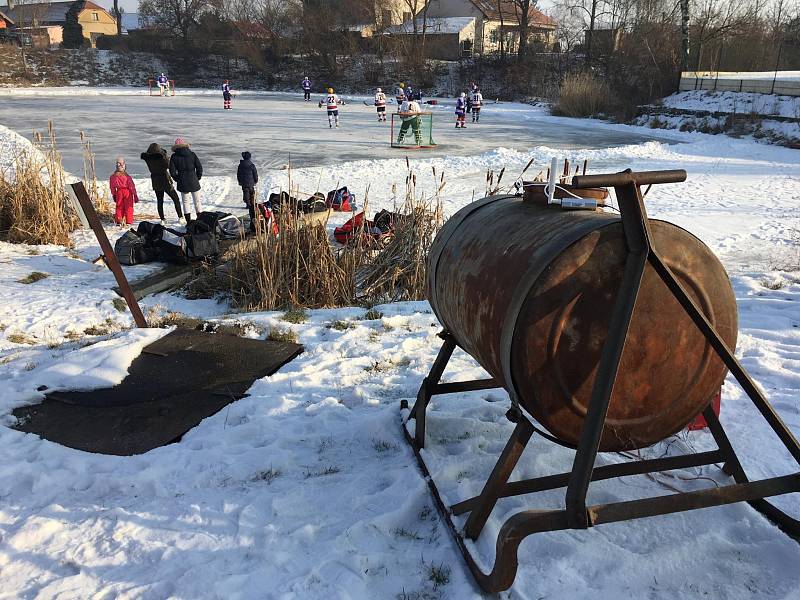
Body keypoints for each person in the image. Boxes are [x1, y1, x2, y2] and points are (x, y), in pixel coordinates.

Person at [140, 143, 183, 225]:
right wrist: (164, 154)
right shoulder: (161, 158)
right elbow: (168, 165)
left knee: (160, 200)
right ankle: (180, 217)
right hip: (164, 179)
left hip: (155, 180)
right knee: (175, 198)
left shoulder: (147, 158)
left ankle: (162, 219)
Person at [169, 137, 203, 222]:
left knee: (185, 202)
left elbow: (172, 172)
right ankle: (200, 220)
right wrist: (197, 177)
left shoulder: (174, 156)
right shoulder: (192, 154)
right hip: (193, 180)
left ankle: (188, 221)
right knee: (197, 201)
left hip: (182, 181)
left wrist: (178, 179)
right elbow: (199, 167)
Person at [109, 156, 138, 226]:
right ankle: (128, 222)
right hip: (127, 192)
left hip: (119, 192)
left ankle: (119, 221)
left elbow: (112, 187)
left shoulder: (113, 177)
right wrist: (135, 195)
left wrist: (114, 194)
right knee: (129, 207)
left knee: (119, 207)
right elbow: (132, 186)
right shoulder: (127, 177)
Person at [237, 151, 259, 233]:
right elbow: (255, 174)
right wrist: (256, 180)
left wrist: (239, 181)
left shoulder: (240, 165)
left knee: (246, 194)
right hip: (251, 184)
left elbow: (238, 174)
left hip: (244, 184)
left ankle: (248, 204)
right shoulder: (252, 165)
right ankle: (252, 204)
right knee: (252, 193)